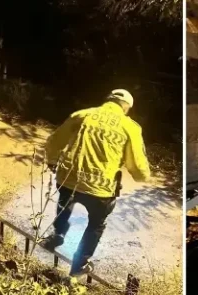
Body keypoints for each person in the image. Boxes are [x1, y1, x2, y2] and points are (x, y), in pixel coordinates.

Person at [44, 89, 151, 276]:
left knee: (64, 204)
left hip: (70, 178)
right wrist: (143, 176)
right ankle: (80, 264)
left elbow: (54, 140)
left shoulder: (82, 115)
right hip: (100, 187)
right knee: (96, 223)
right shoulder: (130, 127)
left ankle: (58, 235)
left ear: (107, 100)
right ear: (126, 108)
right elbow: (137, 165)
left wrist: (52, 160)